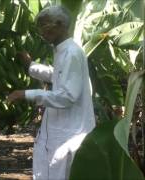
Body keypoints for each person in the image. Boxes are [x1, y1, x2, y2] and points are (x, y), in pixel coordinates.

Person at [7, 5, 96, 180]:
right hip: (60, 131)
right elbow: (58, 75)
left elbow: (67, 96)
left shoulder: (71, 53)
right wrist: (31, 66)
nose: (41, 31)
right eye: (39, 26)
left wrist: (26, 94)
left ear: (61, 24)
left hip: (68, 133)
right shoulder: (63, 51)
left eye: (45, 25)